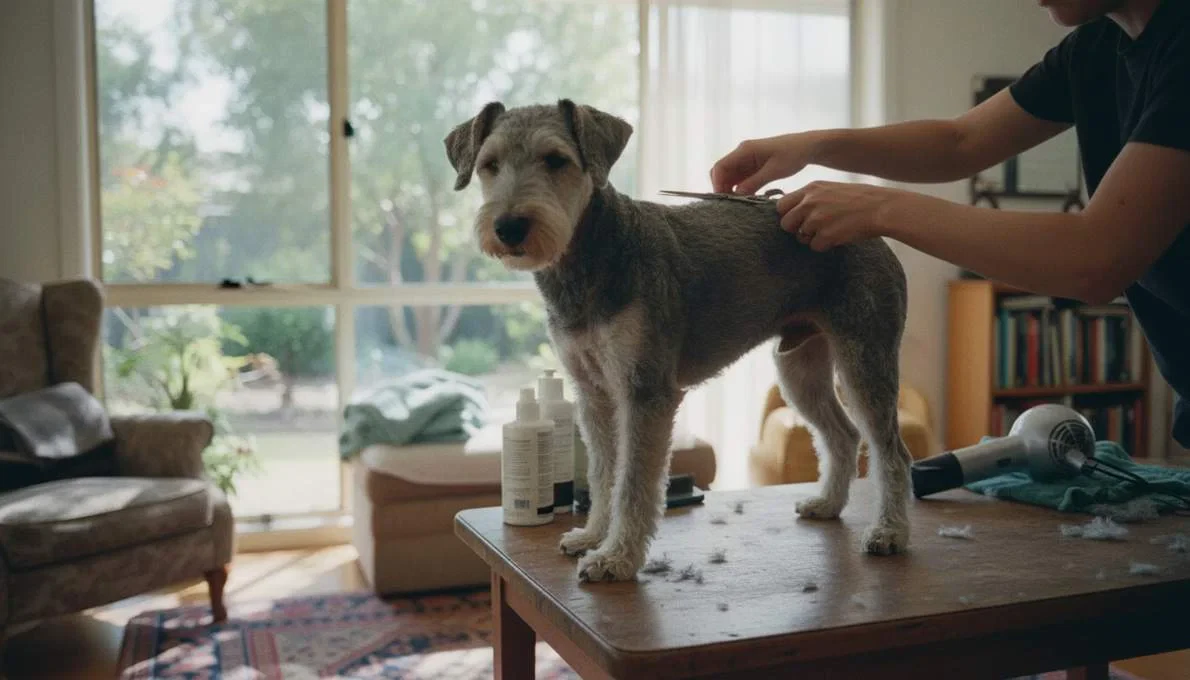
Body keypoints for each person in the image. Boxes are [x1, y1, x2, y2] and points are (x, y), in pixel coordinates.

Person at [710, 0, 1190, 449]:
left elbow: (1097, 259)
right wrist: (811, 145)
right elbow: (959, 142)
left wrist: (880, 209)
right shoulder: (1094, 49)